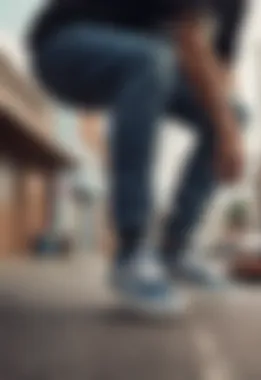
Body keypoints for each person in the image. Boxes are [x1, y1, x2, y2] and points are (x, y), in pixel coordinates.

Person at [27, 0, 248, 316]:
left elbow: (221, 71)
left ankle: (176, 249)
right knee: (150, 60)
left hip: (141, 56)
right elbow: (191, 42)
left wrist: (228, 128)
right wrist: (228, 134)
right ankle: (131, 251)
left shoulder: (238, 7)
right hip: (64, 45)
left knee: (234, 115)